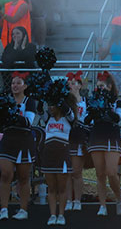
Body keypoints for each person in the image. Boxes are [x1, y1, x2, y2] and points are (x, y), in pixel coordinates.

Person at [0, 71, 39, 220]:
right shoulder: (5, 100)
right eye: (13, 83)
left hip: (23, 141)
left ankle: (23, 210)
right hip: (8, 139)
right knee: (5, 174)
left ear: (25, 86)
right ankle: (3, 209)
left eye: (18, 83)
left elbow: (28, 122)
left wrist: (12, 115)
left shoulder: (30, 101)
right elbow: (0, 123)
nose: (15, 86)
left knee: (23, 177)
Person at [87, 71, 121, 217]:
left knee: (111, 172)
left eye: (102, 86)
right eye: (98, 87)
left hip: (111, 136)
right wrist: (93, 111)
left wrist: (105, 108)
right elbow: (87, 119)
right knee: (100, 174)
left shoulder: (118, 102)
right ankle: (102, 205)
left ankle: (118, 197)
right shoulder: (92, 101)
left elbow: (117, 117)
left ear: (110, 87)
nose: (100, 89)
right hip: (97, 136)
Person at [41, 95, 75, 226]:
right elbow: (39, 109)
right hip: (49, 154)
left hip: (62, 154)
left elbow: (68, 111)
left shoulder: (68, 118)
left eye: (53, 105)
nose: (50, 107)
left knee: (61, 187)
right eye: (49, 105)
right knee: (51, 187)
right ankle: (52, 215)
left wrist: (60, 98)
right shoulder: (47, 118)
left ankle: (61, 215)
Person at [64, 71, 88, 213]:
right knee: (67, 172)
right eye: (69, 83)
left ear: (79, 85)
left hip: (80, 137)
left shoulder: (86, 101)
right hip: (68, 137)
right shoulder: (65, 102)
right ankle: (68, 200)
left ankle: (77, 200)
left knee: (77, 172)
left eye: (73, 83)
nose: (71, 86)